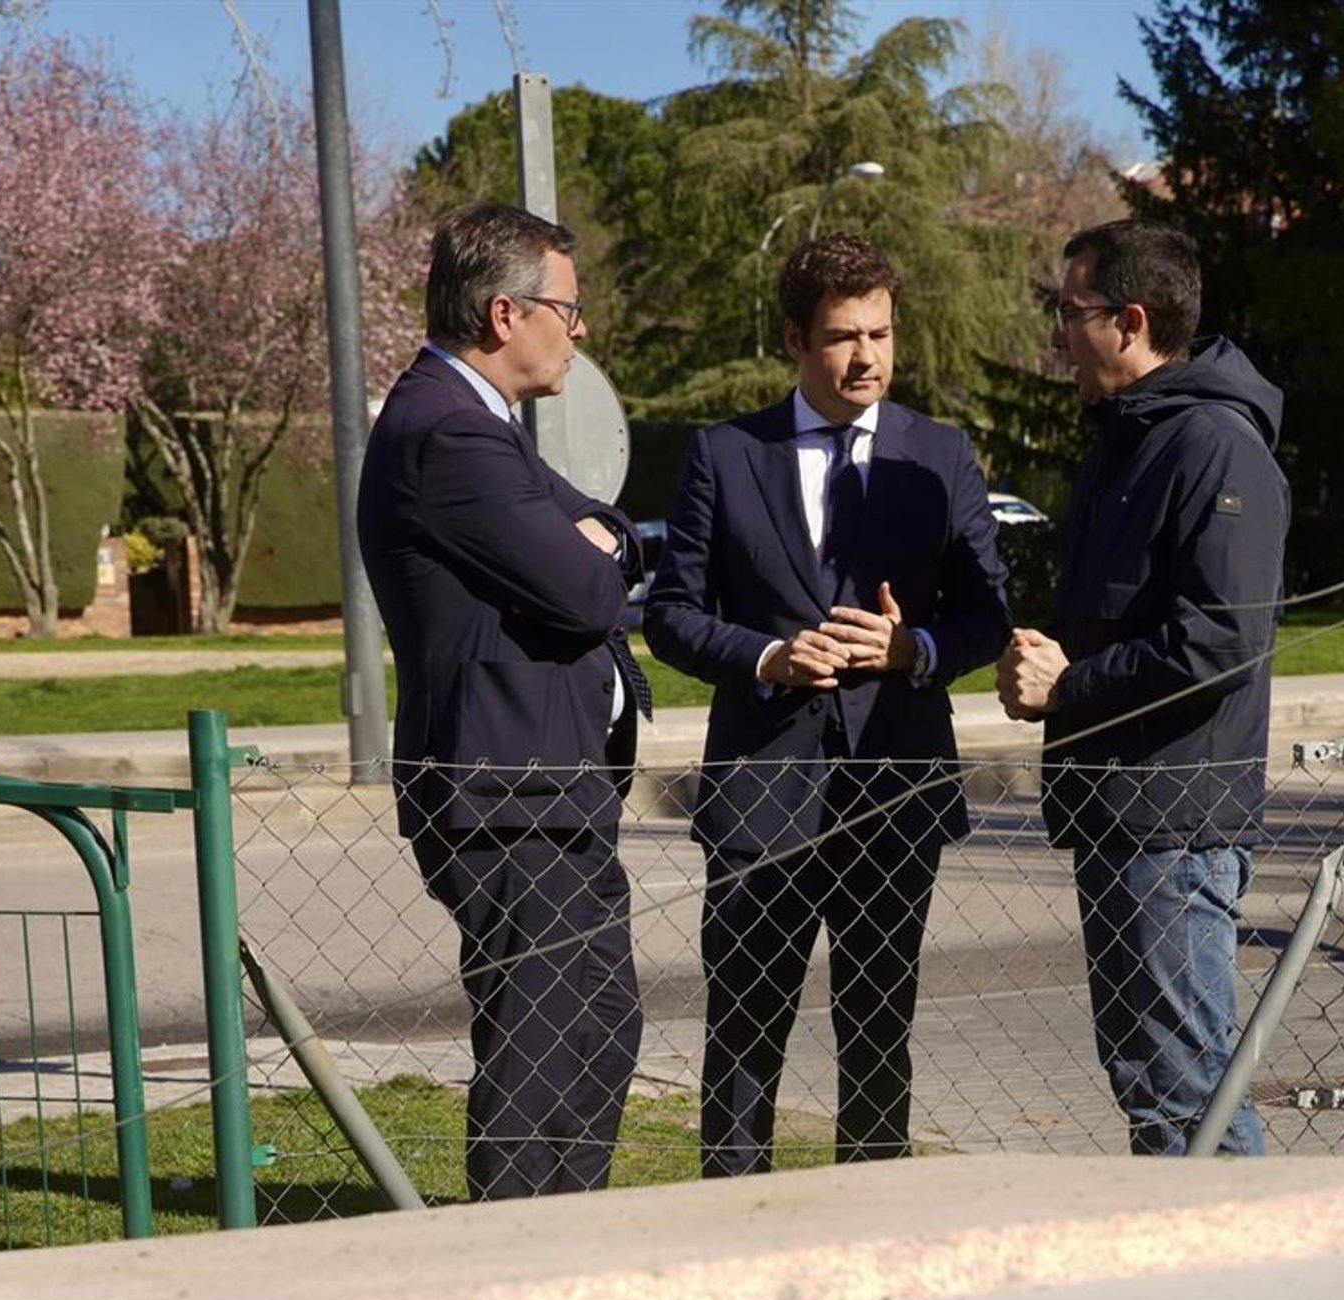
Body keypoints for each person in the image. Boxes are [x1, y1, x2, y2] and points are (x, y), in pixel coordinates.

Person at [645, 233, 1008, 1173]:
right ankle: (736, 1224)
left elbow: (987, 615)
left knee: (880, 1038)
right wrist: (767, 656)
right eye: (844, 336)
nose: (866, 358)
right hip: (762, 796)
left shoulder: (940, 454)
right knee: (743, 1042)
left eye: (881, 334)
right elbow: (672, 615)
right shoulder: (726, 455)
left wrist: (913, 649)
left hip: (895, 794)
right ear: (795, 340)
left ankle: (873, 1231)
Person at [357, 200, 646, 1201]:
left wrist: (598, 545)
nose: (580, 328)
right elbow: (589, 590)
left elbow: (605, 529)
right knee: (540, 1059)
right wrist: (591, 555)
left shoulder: (480, 422)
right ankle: (513, 1252)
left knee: (598, 1030)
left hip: (549, 791)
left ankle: (562, 1243)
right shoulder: (448, 431)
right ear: (504, 312)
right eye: (567, 308)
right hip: (509, 795)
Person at [997, 220, 1288, 1157]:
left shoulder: (1212, 445)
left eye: (1069, 311)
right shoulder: (1128, 441)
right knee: (1157, 1088)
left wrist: (1070, 684)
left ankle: (1245, 1254)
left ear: (1129, 321)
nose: (1057, 334)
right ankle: (1200, 1250)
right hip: (1124, 816)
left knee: (1186, 1098)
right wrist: (1049, 668)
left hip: (1172, 825)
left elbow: (1221, 642)